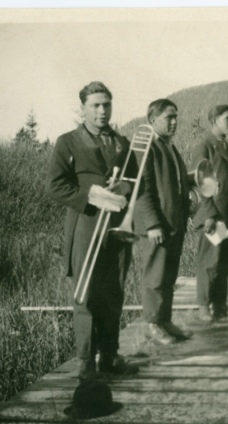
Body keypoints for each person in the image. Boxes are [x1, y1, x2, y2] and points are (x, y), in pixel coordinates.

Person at [46, 81, 138, 380]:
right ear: (83, 108)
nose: (102, 111)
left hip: (116, 227)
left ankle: (109, 356)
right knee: (85, 293)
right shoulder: (68, 141)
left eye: (106, 104)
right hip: (86, 224)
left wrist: (123, 186)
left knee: (114, 292)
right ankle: (86, 360)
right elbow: (56, 186)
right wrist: (91, 196)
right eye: (95, 105)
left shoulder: (123, 143)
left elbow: (137, 181)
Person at [133, 99, 193, 345]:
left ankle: (165, 320)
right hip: (157, 226)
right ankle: (152, 324)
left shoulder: (169, 146)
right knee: (155, 277)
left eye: (176, 116)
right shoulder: (146, 146)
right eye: (169, 117)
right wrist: (152, 224)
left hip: (173, 223)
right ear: (152, 119)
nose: (174, 121)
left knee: (169, 276)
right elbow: (142, 189)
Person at [190, 105, 228, 322]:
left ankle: (219, 303)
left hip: (227, 214)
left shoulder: (226, 146)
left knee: (225, 260)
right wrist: (208, 213)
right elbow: (198, 183)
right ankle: (203, 306)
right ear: (214, 119)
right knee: (210, 260)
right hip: (214, 215)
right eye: (227, 119)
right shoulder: (204, 146)